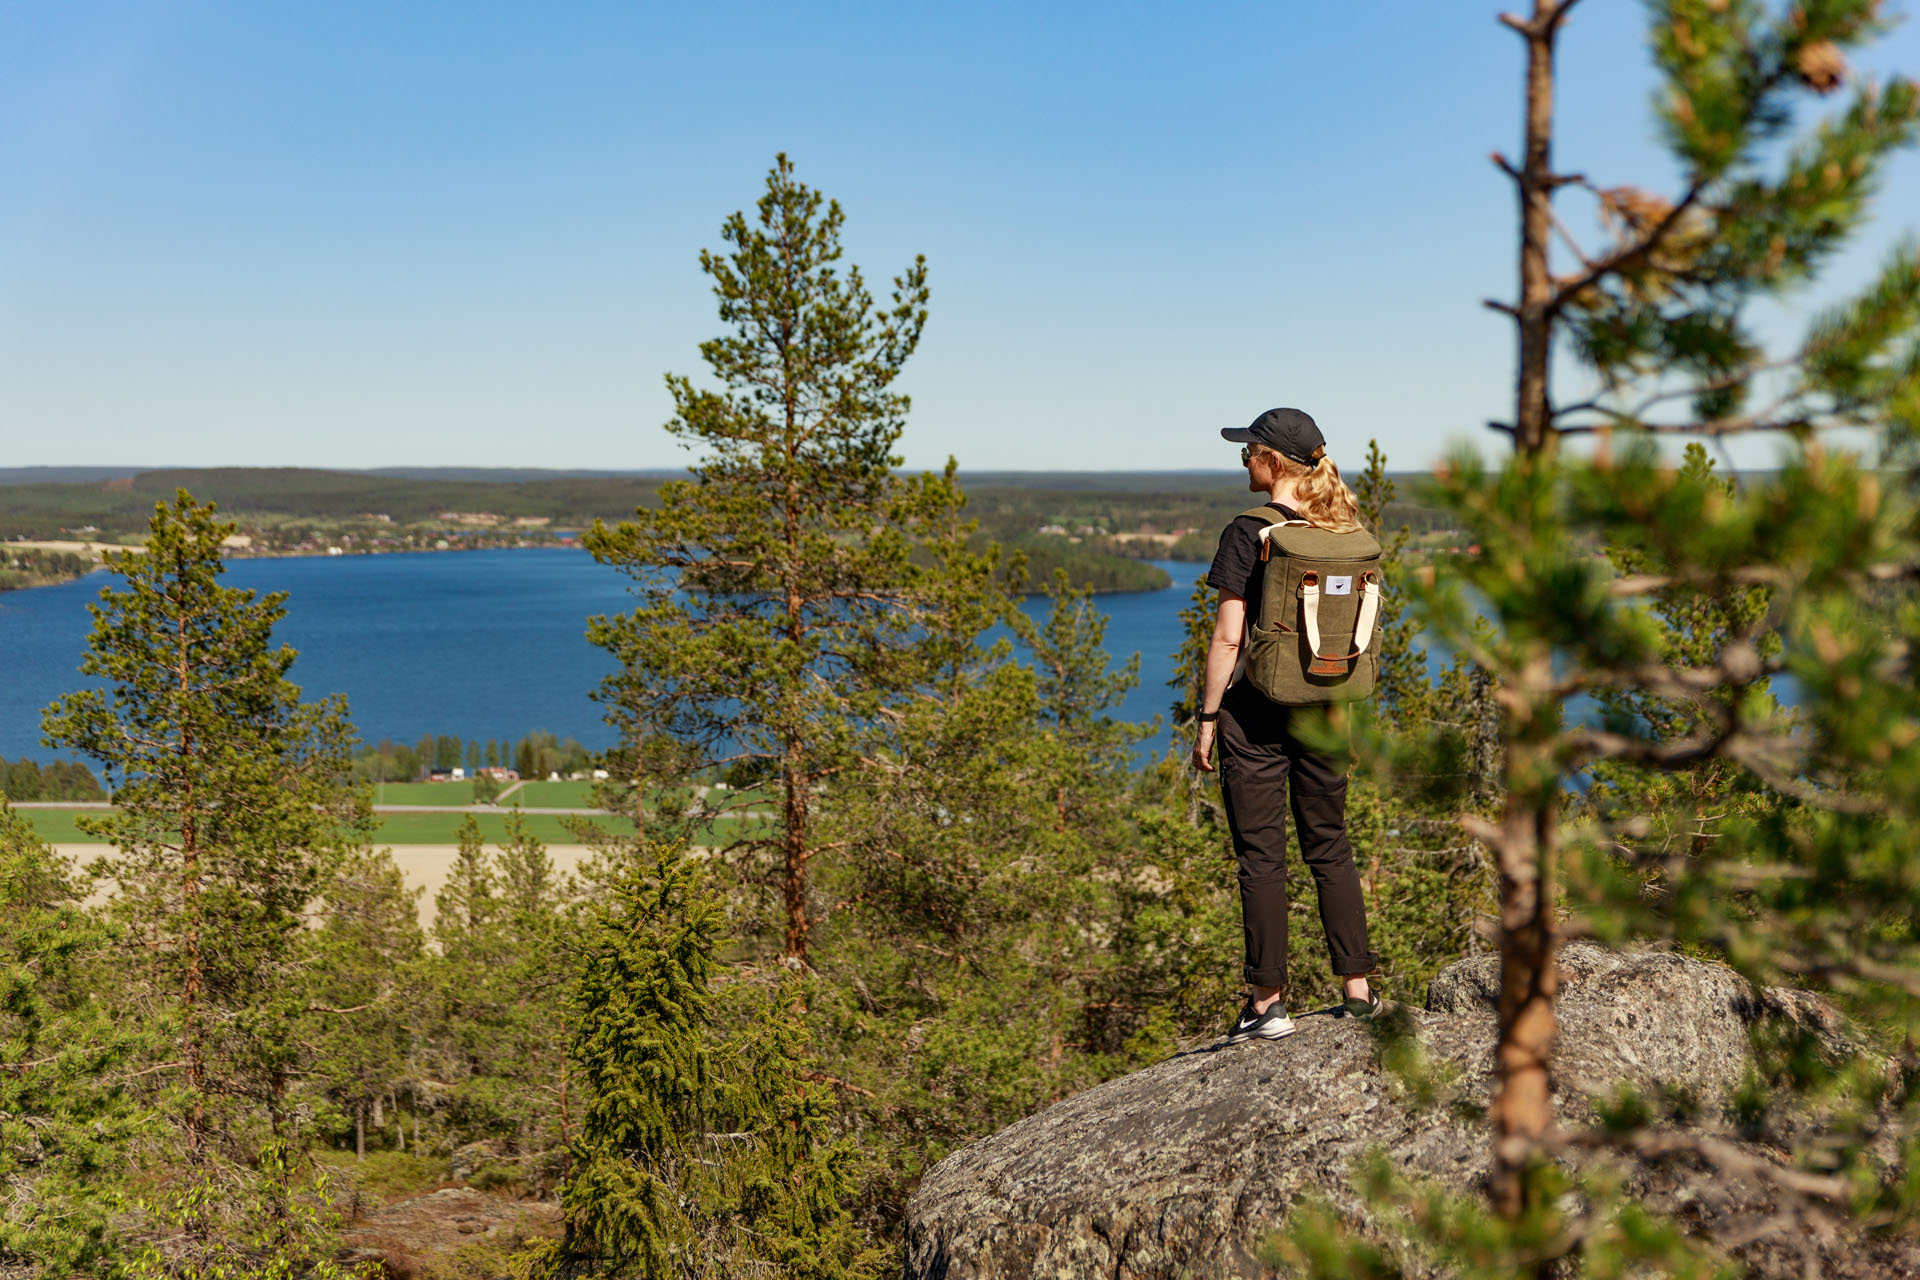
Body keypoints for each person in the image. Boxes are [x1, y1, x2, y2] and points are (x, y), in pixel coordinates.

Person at [1191, 407, 1382, 1044]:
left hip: (1257, 712)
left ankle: (1267, 1002)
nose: (1242, 460)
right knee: (1330, 845)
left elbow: (1227, 638)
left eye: (1248, 451)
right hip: (1328, 709)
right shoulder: (1344, 529)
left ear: (1272, 461)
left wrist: (1209, 718)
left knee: (1263, 856)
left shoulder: (1250, 530)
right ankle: (1357, 989)